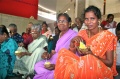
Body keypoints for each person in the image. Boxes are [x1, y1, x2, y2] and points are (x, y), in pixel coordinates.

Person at [54, 5, 118, 79]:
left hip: (100, 68)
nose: (89, 22)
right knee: (62, 52)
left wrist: (92, 55)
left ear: (99, 19)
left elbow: (110, 63)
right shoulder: (82, 33)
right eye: (86, 19)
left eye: (92, 19)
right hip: (83, 63)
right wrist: (72, 43)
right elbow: (73, 54)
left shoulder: (108, 36)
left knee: (89, 60)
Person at [33, 13, 77, 79]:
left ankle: (51, 75)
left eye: (64, 21)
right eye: (59, 21)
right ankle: (52, 74)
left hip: (65, 63)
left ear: (69, 23)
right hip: (54, 59)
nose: (61, 23)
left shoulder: (74, 35)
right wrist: (48, 55)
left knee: (56, 73)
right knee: (37, 66)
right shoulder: (57, 36)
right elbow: (55, 52)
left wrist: (57, 66)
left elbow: (74, 55)